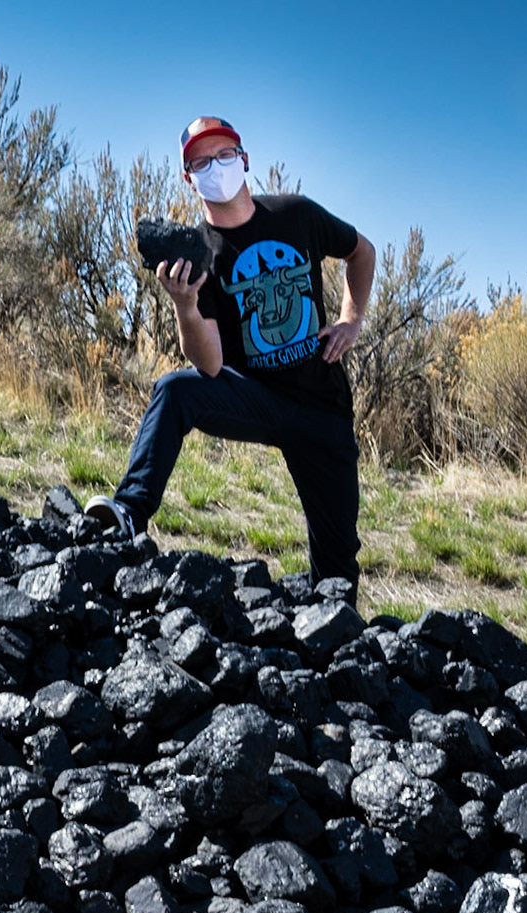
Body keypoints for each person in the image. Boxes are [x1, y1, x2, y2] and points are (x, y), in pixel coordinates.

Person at [86, 116, 376, 603]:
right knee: (176, 389)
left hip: (322, 408)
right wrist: (185, 306)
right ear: (188, 177)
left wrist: (351, 318)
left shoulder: (296, 215)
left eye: (224, 156)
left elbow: (361, 252)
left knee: (337, 577)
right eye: (201, 161)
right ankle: (128, 513)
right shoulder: (201, 253)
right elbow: (212, 365)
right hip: (257, 397)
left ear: (244, 160)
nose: (215, 167)